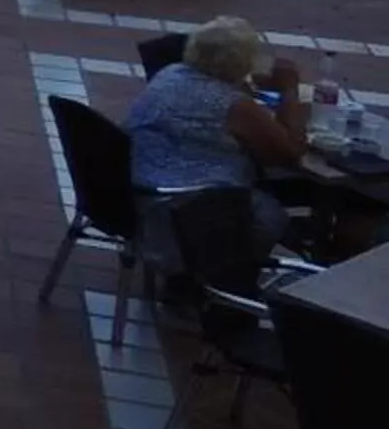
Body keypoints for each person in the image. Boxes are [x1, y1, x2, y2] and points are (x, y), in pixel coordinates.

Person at [125, 16, 310, 255]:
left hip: (147, 198)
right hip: (203, 212)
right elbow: (289, 154)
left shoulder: (170, 74)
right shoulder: (233, 105)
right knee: (274, 211)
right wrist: (289, 90)